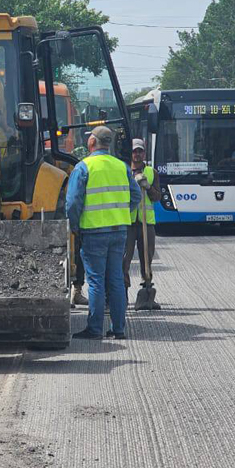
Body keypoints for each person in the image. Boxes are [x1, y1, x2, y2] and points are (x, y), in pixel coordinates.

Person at [66, 125, 141, 340]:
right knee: (116, 279)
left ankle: (95, 329)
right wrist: (121, 214)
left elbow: (72, 202)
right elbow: (135, 196)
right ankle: (118, 329)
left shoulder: (84, 167)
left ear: (91, 143)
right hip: (119, 231)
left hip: (93, 231)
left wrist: (74, 225)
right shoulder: (122, 167)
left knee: (97, 280)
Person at [125, 138, 161, 310]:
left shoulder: (151, 172)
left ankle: (147, 291)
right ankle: (121, 294)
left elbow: (157, 197)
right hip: (128, 223)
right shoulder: (123, 172)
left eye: (139, 151)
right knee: (124, 259)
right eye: (134, 151)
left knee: (147, 257)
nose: (137, 154)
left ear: (144, 153)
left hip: (147, 223)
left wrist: (147, 186)